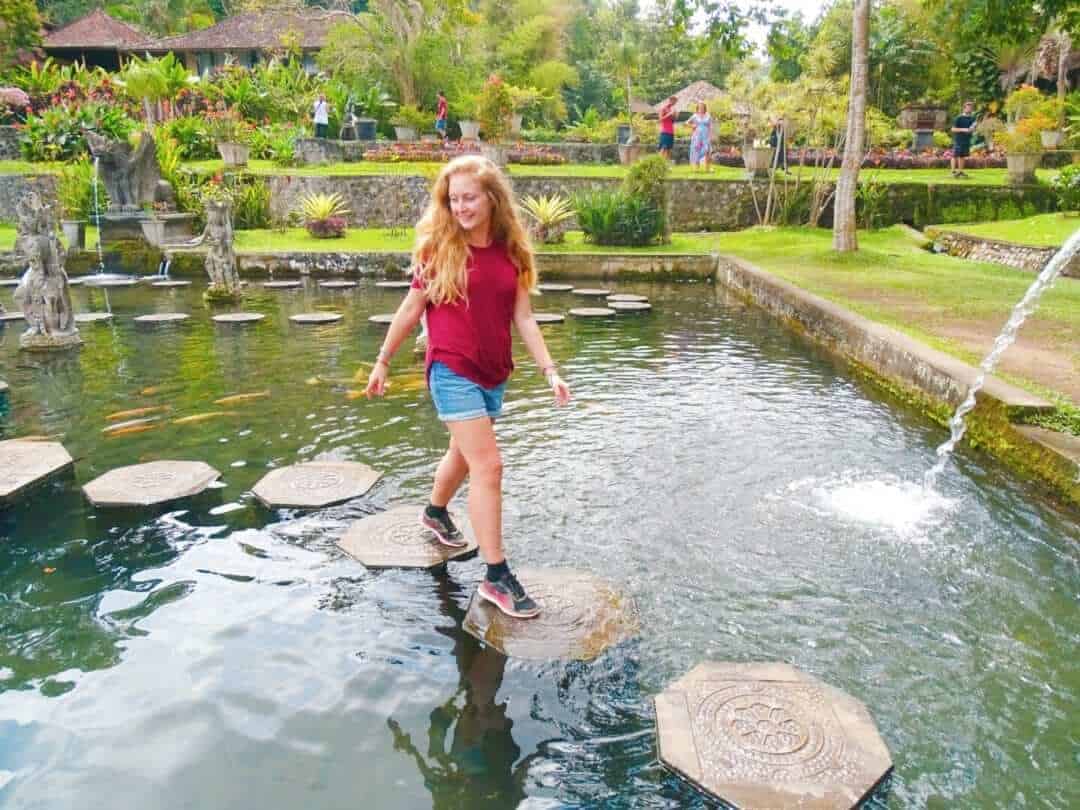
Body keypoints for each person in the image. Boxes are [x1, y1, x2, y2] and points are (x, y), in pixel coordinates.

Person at [365, 155, 571, 619]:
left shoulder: (512, 252)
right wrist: (382, 361)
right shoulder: (439, 249)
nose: (461, 207)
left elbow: (523, 317)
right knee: (489, 465)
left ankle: (435, 513)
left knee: (462, 455)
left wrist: (550, 371)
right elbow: (410, 310)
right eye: (454, 199)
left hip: (493, 371)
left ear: (492, 198)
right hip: (451, 368)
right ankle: (496, 576)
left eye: (469, 198)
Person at [950, 101, 976, 179]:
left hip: (966, 140)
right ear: (964, 108)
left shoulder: (972, 118)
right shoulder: (959, 118)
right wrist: (964, 129)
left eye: (971, 108)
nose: (969, 109)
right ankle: (953, 171)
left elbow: (972, 128)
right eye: (968, 107)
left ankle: (960, 172)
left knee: (962, 156)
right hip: (958, 139)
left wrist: (972, 129)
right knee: (955, 155)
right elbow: (953, 129)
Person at [687, 102, 713, 171]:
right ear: (697, 108)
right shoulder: (695, 115)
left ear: (704, 108)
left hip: (706, 135)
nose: (701, 108)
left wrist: (710, 136)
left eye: (702, 107)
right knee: (697, 150)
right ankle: (696, 168)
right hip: (697, 135)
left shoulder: (708, 115)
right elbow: (686, 123)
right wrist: (692, 126)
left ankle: (707, 168)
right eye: (699, 107)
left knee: (707, 150)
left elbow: (710, 126)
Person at [658, 95, 677, 160]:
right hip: (664, 131)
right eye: (673, 101)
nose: (674, 103)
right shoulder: (663, 108)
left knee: (669, 150)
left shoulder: (672, 109)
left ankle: (667, 165)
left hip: (671, 131)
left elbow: (673, 121)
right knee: (663, 148)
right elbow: (660, 119)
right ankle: (658, 163)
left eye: (675, 102)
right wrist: (669, 114)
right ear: (670, 100)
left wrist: (674, 115)